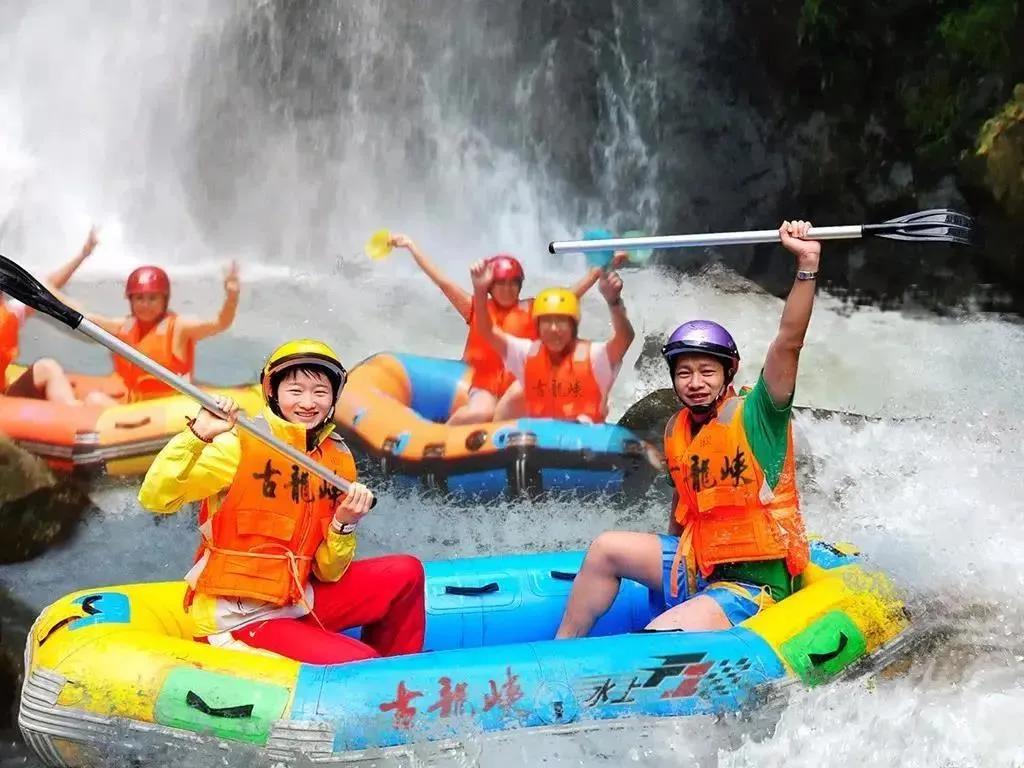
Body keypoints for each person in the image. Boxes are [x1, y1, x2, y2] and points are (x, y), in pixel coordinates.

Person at [555, 220, 819, 637]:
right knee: (606, 548)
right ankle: (562, 650)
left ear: (728, 373)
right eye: (684, 373)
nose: (695, 383)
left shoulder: (759, 413)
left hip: (755, 585)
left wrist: (807, 264)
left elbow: (789, 341)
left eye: (706, 372)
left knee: (660, 634)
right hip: (700, 563)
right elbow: (683, 507)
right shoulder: (677, 429)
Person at [138, 339, 426, 664]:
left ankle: (401, 676)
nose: (308, 403)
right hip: (238, 618)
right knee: (361, 660)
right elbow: (156, 497)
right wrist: (198, 435)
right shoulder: (238, 445)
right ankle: (377, 675)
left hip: (297, 600)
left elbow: (328, 573)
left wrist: (342, 525)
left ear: (334, 397)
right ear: (273, 392)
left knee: (406, 572)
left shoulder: (338, 459)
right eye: (295, 391)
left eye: (320, 392)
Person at [387, 234, 624, 424]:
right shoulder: (476, 307)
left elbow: (572, 294)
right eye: (501, 283)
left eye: (513, 283)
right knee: (481, 413)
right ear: (490, 286)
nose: (508, 289)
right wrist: (411, 246)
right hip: (479, 384)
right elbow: (443, 282)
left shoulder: (533, 309)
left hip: (515, 387)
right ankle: (441, 438)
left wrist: (603, 267)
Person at [467, 258, 634, 423]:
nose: (554, 329)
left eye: (561, 322)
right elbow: (487, 331)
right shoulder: (527, 354)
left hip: (583, 436)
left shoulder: (593, 356)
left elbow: (624, 338)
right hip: (537, 436)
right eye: (546, 322)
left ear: (573, 325)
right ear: (537, 327)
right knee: (516, 394)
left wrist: (614, 302)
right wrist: (480, 289)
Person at [62, 260, 241, 403]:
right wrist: (52, 297)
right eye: (139, 298)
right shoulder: (124, 326)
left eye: (153, 298)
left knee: (94, 400)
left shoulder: (179, 327)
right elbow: (86, 317)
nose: (145, 305)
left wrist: (231, 298)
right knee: (89, 396)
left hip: (169, 406)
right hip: (133, 404)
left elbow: (219, 324)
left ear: (165, 300)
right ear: (131, 301)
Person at [1, 227, 99, 404]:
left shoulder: (10, 314)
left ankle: (75, 414)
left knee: (47, 368)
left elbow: (43, 290)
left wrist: (82, 255)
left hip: (4, 400)